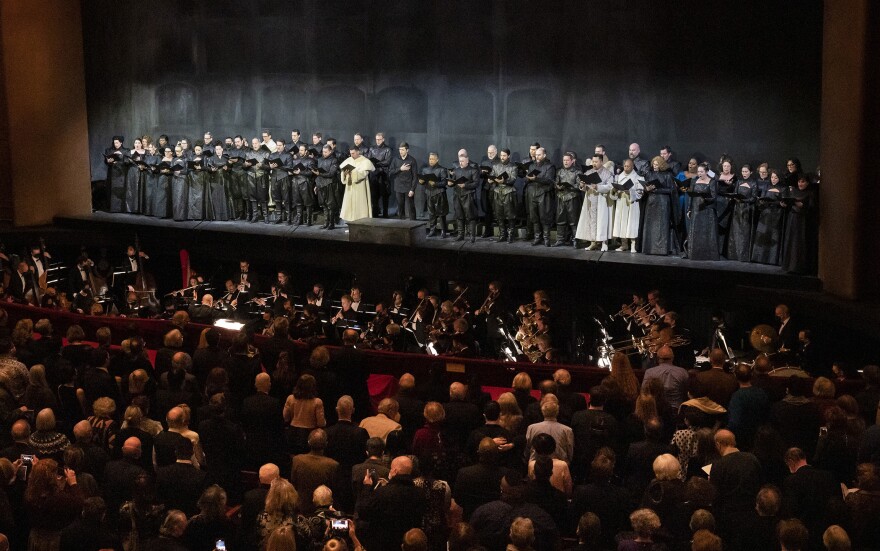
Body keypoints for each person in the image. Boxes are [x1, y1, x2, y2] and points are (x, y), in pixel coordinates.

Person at [356, 456, 427, 551]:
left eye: (391, 469)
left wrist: (367, 487)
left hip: (383, 545)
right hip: (409, 543)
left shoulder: (382, 492)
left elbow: (363, 512)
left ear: (395, 471)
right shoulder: (420, 493)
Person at [289, 428, 339, 516]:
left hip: (301, 508)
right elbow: (334, 490)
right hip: (323, 511)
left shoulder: (297, 460)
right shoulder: (333, 465)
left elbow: (293, 484)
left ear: (308, 442)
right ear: (326, 444)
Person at [641, 156, 679, 255]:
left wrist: (657, 190)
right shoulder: (649, 174)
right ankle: (649, 248)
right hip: (651, 202)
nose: (655, 166)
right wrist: (647, 189)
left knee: (661, 225)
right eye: (653, 164)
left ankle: (661, 249)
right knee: (650, 224)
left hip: (662, 202)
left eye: (657, 164)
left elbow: (671, 190)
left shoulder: (667, 175)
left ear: (661, 165)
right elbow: (646, 187)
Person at [576, 153, 614, 251]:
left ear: (601, 162)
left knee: (602, 222)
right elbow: (585, 187)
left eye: (596, 162)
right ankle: (593, 242)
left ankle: (604, 242)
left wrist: (598, 186)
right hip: (590, 199)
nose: (594, 163)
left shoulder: (607, 173)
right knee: (591, 221)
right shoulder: (588, 172)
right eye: (593, 161)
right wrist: (582, 185)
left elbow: (610, 187)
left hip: (602, 200)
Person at [781, 175, 817, 274]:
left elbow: (812, 207)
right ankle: (789, 266)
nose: (800, 184)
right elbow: (790, 204)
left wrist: (803, 205)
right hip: (792, 219)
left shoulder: (810, 193)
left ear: (807, 183)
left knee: (799, 243)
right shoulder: (794, 191)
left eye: (803, 182)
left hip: (802, 220)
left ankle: (798, 267)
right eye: (799, 182)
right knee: (791, 241)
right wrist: (784, 204)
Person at [750, 168, 785, 264]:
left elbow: (783, 201)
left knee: (773, 235)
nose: (773, 179)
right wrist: (761, 202)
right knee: (763, 234)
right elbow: (762, 199)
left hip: (777, 214)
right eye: (772, 177)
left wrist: (778, 203)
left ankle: (772, 259)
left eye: (776, 178)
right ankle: (760, 258)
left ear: (779, 178)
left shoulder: (782, 188)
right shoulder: (767, 186)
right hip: (765, 213)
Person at [686, 162, 720, 260]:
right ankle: (695, 254)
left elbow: (714, 197)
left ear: (707, 172)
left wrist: (705, 198)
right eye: (698, 171)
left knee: (707, 232)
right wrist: (689, 209)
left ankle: (708, 254)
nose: (699, 173)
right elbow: (691, 197)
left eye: (701, 172)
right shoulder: (694, 181)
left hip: (707, 210)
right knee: (696, 231)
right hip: (696, 209)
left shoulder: (712, 181)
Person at [612, 158, 645, 252]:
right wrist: (616, 190)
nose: (626, 168)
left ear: (632, 166)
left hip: (632, 203)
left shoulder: (638, 178)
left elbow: (640, 193)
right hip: (621, 202)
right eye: (625, 166)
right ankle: (624, 244)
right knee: (621, 223)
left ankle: (633, 245)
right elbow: (614, 189)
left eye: (628, 166)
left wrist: (630, 192)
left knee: (631, 224)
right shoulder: (619, 176)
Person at [641, 345, 688, 410]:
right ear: (673, 358)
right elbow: (686, 393)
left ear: (657, 358)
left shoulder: (649, 372)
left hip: (656, 409)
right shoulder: (683, 372)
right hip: (677, 409)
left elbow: (644, 392)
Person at [448, 150, 481, 243]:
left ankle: (472, 236)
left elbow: (476, 183)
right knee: (459, 216)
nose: (461, 163)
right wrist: (450, 183)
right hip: (458, 196)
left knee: (471, 216)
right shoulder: (456, 170)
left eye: (462, 161)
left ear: (467, 161)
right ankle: (460, 235)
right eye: (460, 161)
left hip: (468, 196)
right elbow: (453, 181)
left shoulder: (473, 170)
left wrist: (465, 185)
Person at [726, 164, 757, 261]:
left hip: (747, 209)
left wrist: (744, 200)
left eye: (746, 171)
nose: (744, 173)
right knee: (736, 230)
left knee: (744, 232)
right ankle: (734, 255)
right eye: (743, 171)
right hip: (737, 209)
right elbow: (735, 193)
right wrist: (733, 198)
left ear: (750, 172)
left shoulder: (753, 183)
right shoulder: (739, 182)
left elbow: (754, 198)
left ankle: (743, 255)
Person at [339, 145, 375, 222]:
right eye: (350, 153)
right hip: (350, 187)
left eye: (353, 153)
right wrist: (345, 173)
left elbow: (364, 173)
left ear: (358, 152)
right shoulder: (348, 160)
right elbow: (343, 172)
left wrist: (353, 173)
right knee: (349, 206)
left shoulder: (365, 161)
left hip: (360, 187)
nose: (351, 155)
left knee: (360, 206)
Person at [553, 151, 582, 247]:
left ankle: (575, 240)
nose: (565, 162)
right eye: (564, 160)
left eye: (567, 160)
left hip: (572, 198)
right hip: (561, 197)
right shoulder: (560, 171)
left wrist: (570, 186)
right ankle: (560, 239)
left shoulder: (577, 172)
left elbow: (579, 186)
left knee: (574, 220)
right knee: (560, 219)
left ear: (572, 161)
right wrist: (558, 187)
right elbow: (556, 183)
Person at [420, 152, 449, 237]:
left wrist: (435, 184)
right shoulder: (425, 170)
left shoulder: (442, 169)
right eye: (430, 159)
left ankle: (443, 231)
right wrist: (421, 182)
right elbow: (423, 181)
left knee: (441, 213)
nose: (431, 161)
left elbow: (444, 182)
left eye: (433, 159)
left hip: (439, 193)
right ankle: (432, 230)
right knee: (431, 213)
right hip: (429, 193)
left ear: (437, 160)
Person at [389, 142, 419, 220]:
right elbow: (390, 172)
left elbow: (415, 176)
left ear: (407, 150)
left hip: (408, 187)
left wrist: (412, 189)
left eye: (402, 150)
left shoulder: (412, 160)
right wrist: (400, 169)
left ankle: (413, 222)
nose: (400, 151)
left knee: (411, 207)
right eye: (400, 150)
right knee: (400, 207)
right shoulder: (395, 159)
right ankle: (401, 223)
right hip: (398, 187)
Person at [314, 144, 340, 229]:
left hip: (329, 184)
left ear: (330, 151)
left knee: (330, 205)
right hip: (320, 185)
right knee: (324, 205)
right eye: (323, 152)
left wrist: (320, 174)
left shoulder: (334, 160)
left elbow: (331, 173)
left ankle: (331, 223)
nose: (324, 153)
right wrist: (316, 185)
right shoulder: (320, 160)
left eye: (326, 152)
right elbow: (318, 175)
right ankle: (326, 223)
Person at [367, 132, 392, 218]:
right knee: (374, 196)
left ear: (383, 139)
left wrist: (377, 163)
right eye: (376, 139)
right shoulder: (372, 148)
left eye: (379, 139)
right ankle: (375, 214)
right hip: (373, 175)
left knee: (385, 196)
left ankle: (385, 214)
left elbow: (387, 162)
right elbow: (368, 159)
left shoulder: (387, 149)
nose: (377, 141)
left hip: (383, 175)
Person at [105, 135, 128, 212]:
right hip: (112, 173)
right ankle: (112, 208)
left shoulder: (125, 151)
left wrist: (121, 156)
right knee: (112, 190)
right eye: (114, 143)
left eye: (117, 143)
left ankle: (121, 209)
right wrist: (108, 161)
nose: (115, 144)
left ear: (121, 143)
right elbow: (106, 161)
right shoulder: (109, 150)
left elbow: (127, 162)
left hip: (121, 173)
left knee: (120, 190)